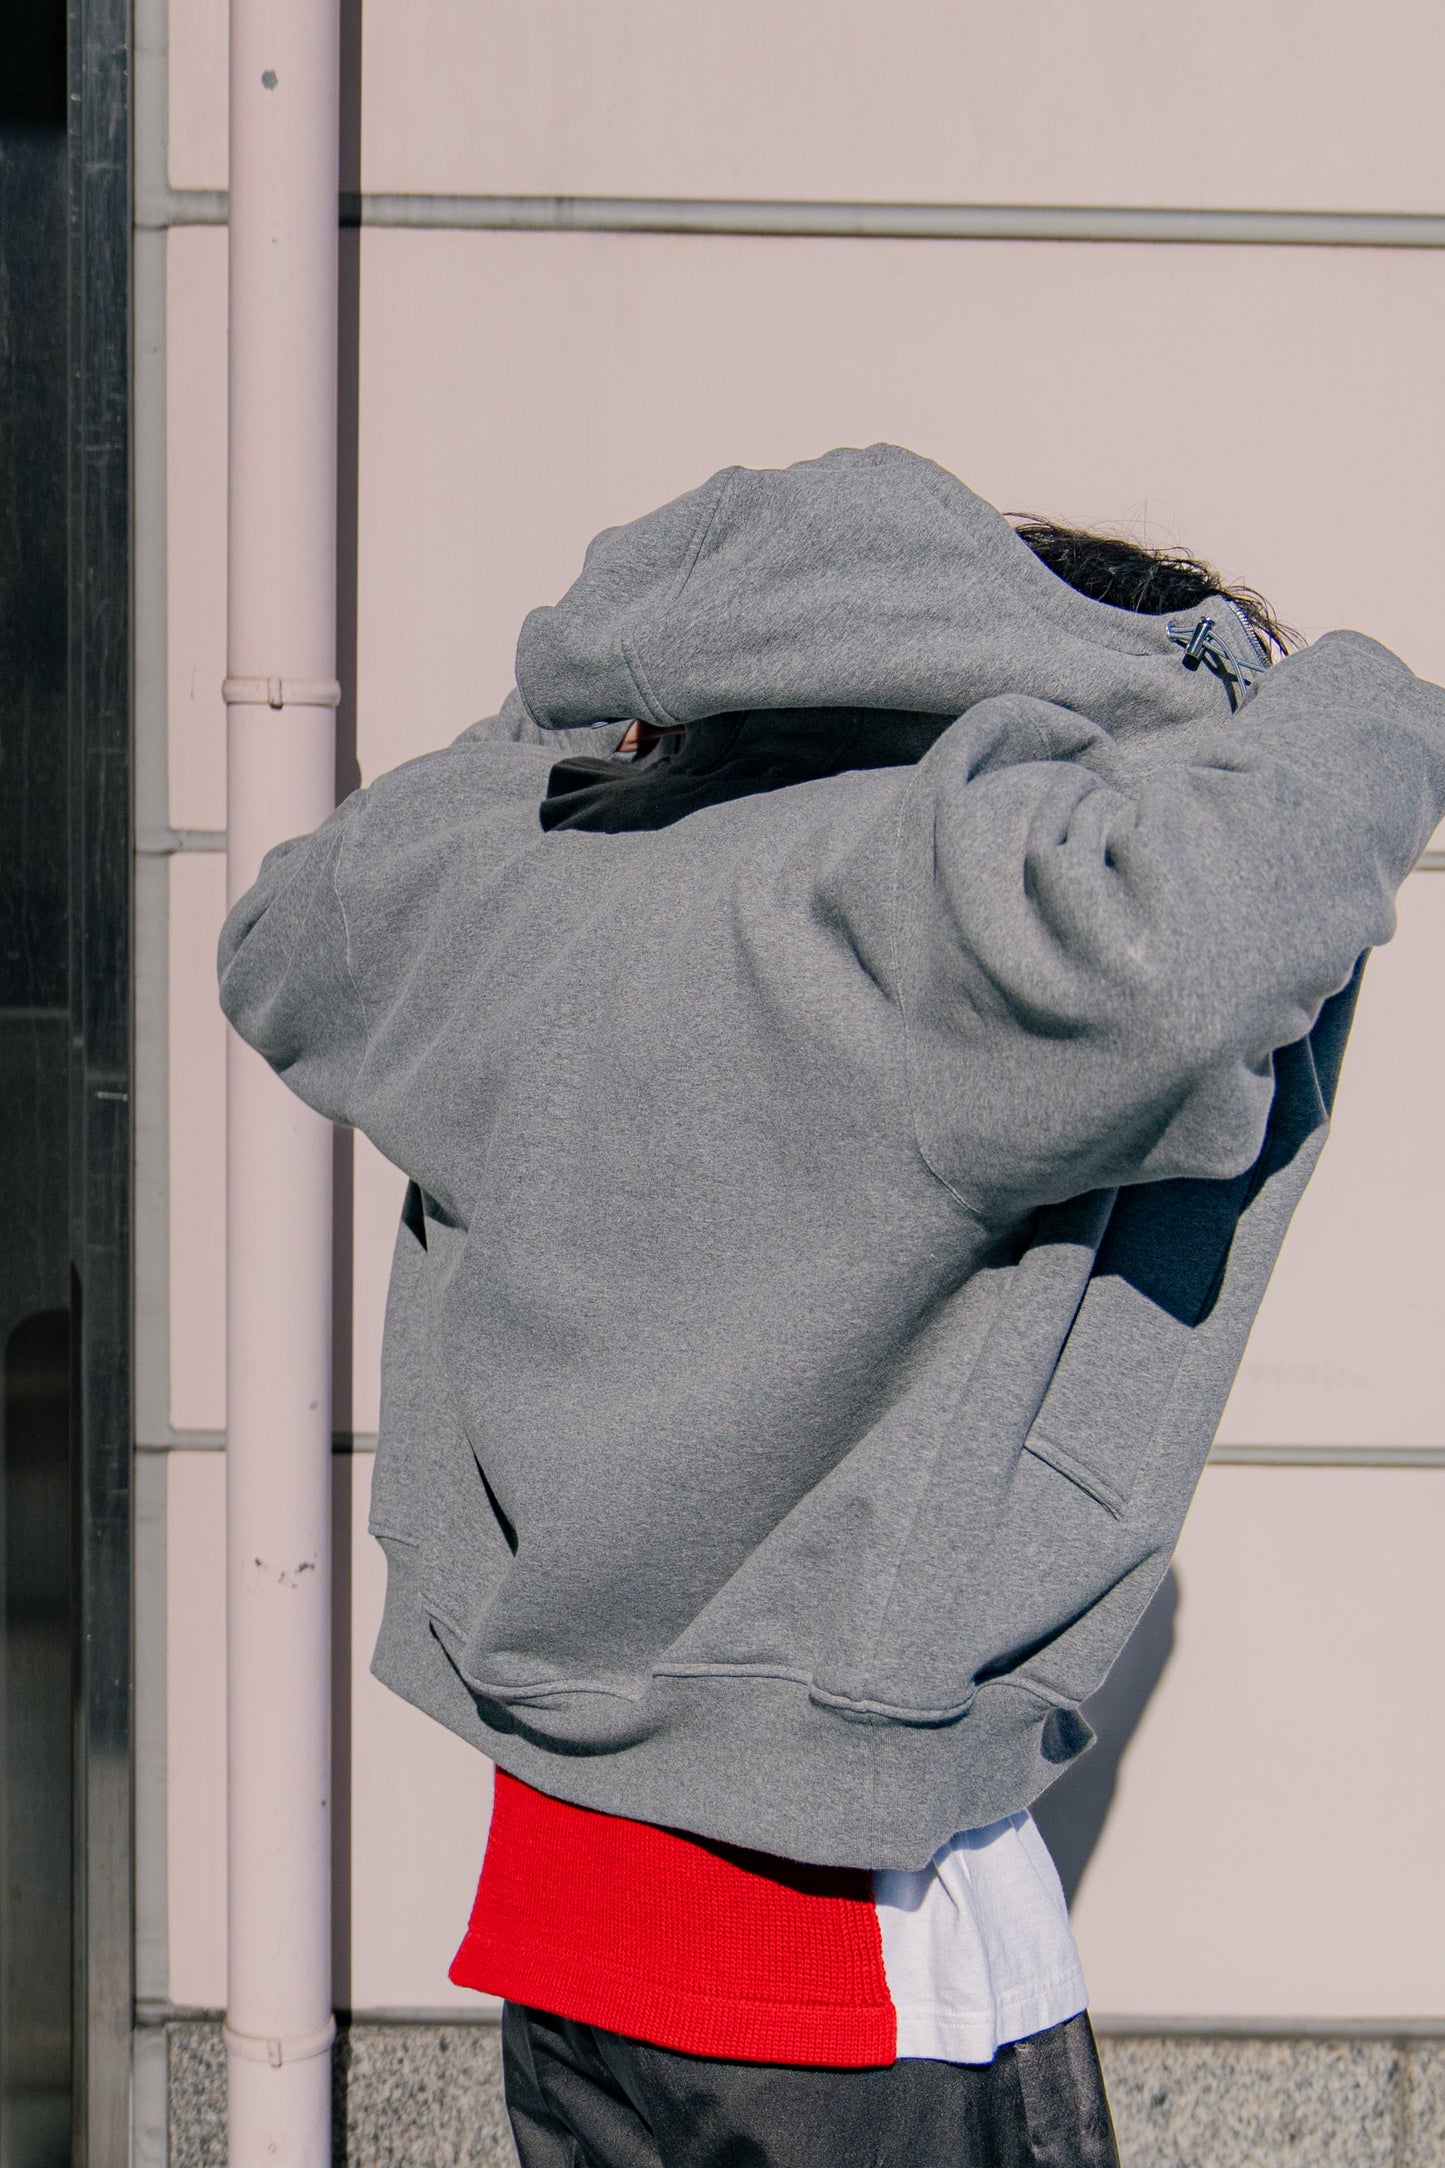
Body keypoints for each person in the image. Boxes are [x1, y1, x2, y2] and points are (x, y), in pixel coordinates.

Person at [219, 445, 1445, 2167]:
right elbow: (1201, 944)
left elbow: (291, 929)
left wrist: (620, 674)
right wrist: (1298, 684)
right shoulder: (930, 918)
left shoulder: (540, 879)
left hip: (562, 1905)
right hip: (840, 1964)